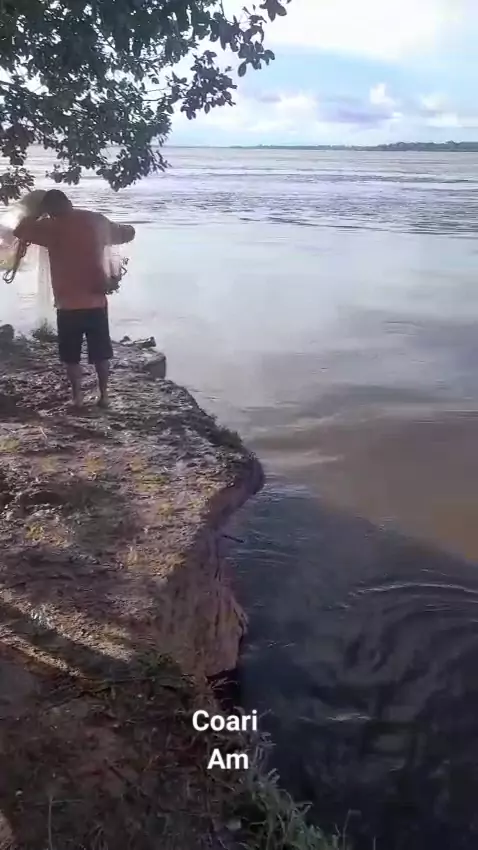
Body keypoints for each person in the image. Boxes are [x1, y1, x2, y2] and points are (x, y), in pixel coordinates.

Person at [13, 189, 135, 408]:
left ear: (48, 209)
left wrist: (35, 213)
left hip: (67, 305)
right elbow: (128, 234)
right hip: (96, 301)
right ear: (68, 202)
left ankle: (78, 398)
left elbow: (20, 230)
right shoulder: (95, 220)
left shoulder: (49, 227)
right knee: (101, 354)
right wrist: (124, 229)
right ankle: (104, 396)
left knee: (71, 357)